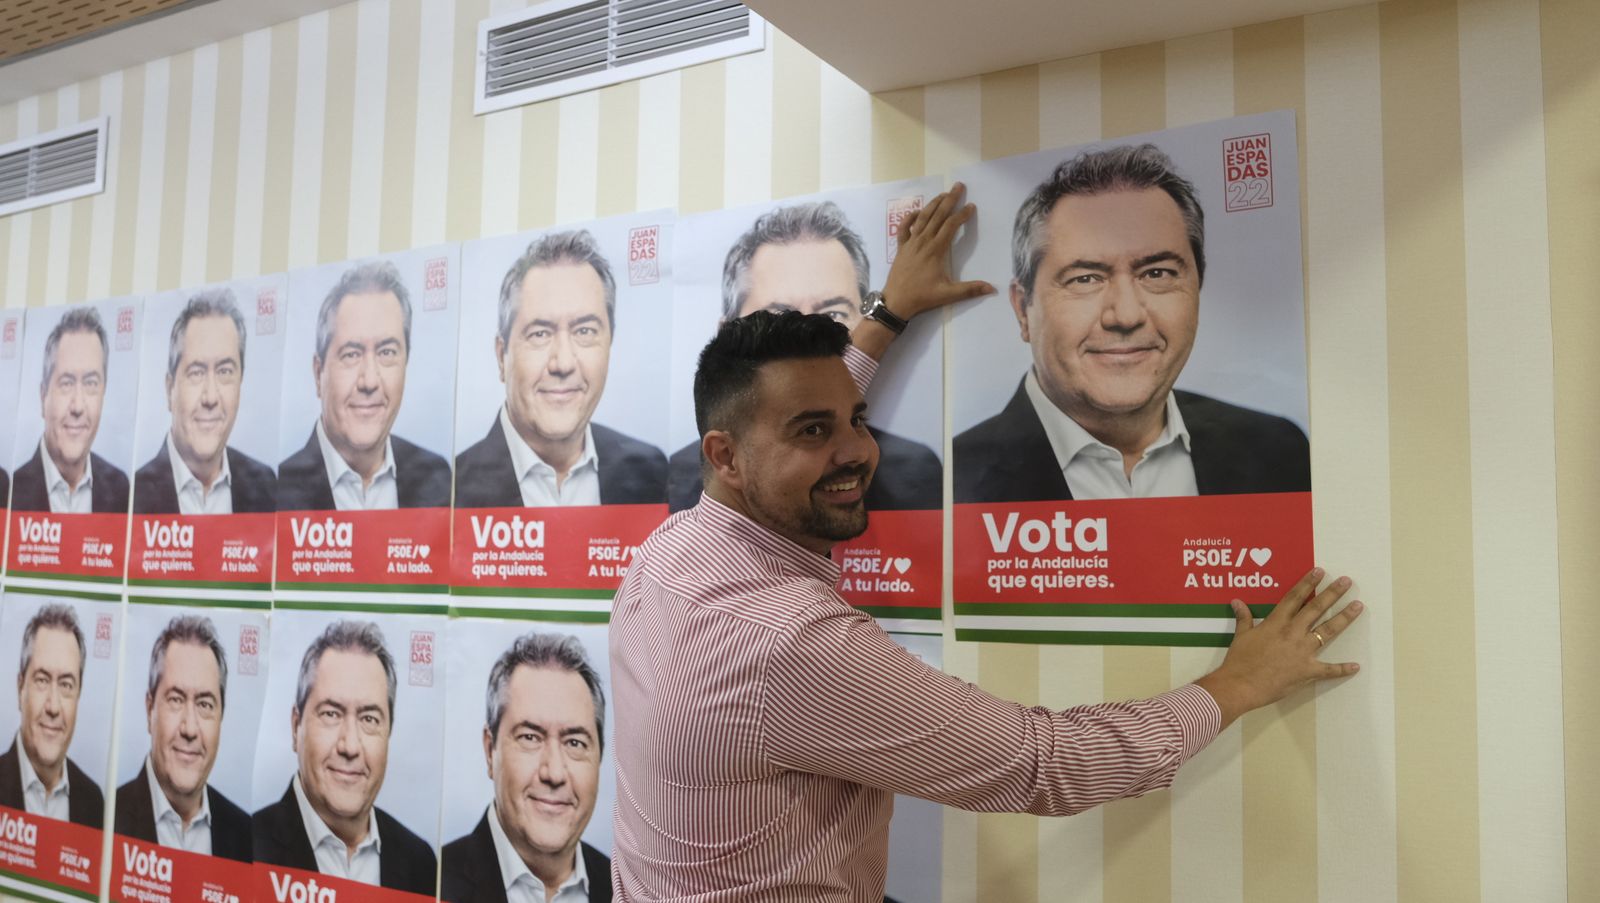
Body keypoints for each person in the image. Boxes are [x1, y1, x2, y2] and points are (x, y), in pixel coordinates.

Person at [609, 185, 1364, 900]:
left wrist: (887, 312)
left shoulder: (668, 553)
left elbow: (798, 401)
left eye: (857, 419)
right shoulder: (793, 644)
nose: (857, 451)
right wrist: (1236, 685)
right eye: (814, 432)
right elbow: (1043, 764)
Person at [954, 144, 1311, 503]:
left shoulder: (1278, 449)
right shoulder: (950, 482)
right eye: (1085, 279)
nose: (1126, 316)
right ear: (1022, 309)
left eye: (1157, 273)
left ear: (1197, 291)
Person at [666, 201, 942, 513]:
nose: (808, 337)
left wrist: (889, 314)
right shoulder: (695, 481)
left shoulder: (915, 466)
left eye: (834, 313)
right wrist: (887, 316)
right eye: (778, 317)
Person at [455, 231, 667, 508]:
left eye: (585, 331)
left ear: (609, 345)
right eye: (540, 334)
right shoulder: (451, 487)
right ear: (501, 357)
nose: (563, 364)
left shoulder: (651, 472)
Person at [252, 620, 436, 893]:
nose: (350, 746)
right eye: (331, 714)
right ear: (295, 727)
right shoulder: (247, 846)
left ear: (388, 733)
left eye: (369, 719)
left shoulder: (420, 863)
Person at [442, 633, 612, 903]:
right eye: (530, 737)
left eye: (575, 743)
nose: (554, 773)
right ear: (490, 750)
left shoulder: (627, 889)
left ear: (600, 757)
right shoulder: (430, 879)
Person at [277, 262, 451, 511]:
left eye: (387, 352)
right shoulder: (276, 491)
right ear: (318, 374)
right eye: (351, 354)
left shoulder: (437, 477)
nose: (369, 381)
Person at [114, 615, 251, 861]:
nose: (189, 729)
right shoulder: (105, 815)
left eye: (205, 704)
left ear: (221, 717)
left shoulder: (245, 835)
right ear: (149, 710)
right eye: (176, 700)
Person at [134, 290, 276, 515]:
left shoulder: (266, 486)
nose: (210, 398)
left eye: (224, 371)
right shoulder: (132, 495)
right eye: (196, 372)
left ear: (240, 383)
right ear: (170, 389)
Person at [11, 307, 131, 514]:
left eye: (91, 383)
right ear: (43, 397)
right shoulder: (9, 492)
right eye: (66, 383)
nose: (78, 407)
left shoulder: (121, 490)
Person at [0, 604, 105, 827]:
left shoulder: (94, 801)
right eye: (42, 680)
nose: (53, 707)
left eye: (66, 685)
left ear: (78, 696)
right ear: (20, 688)